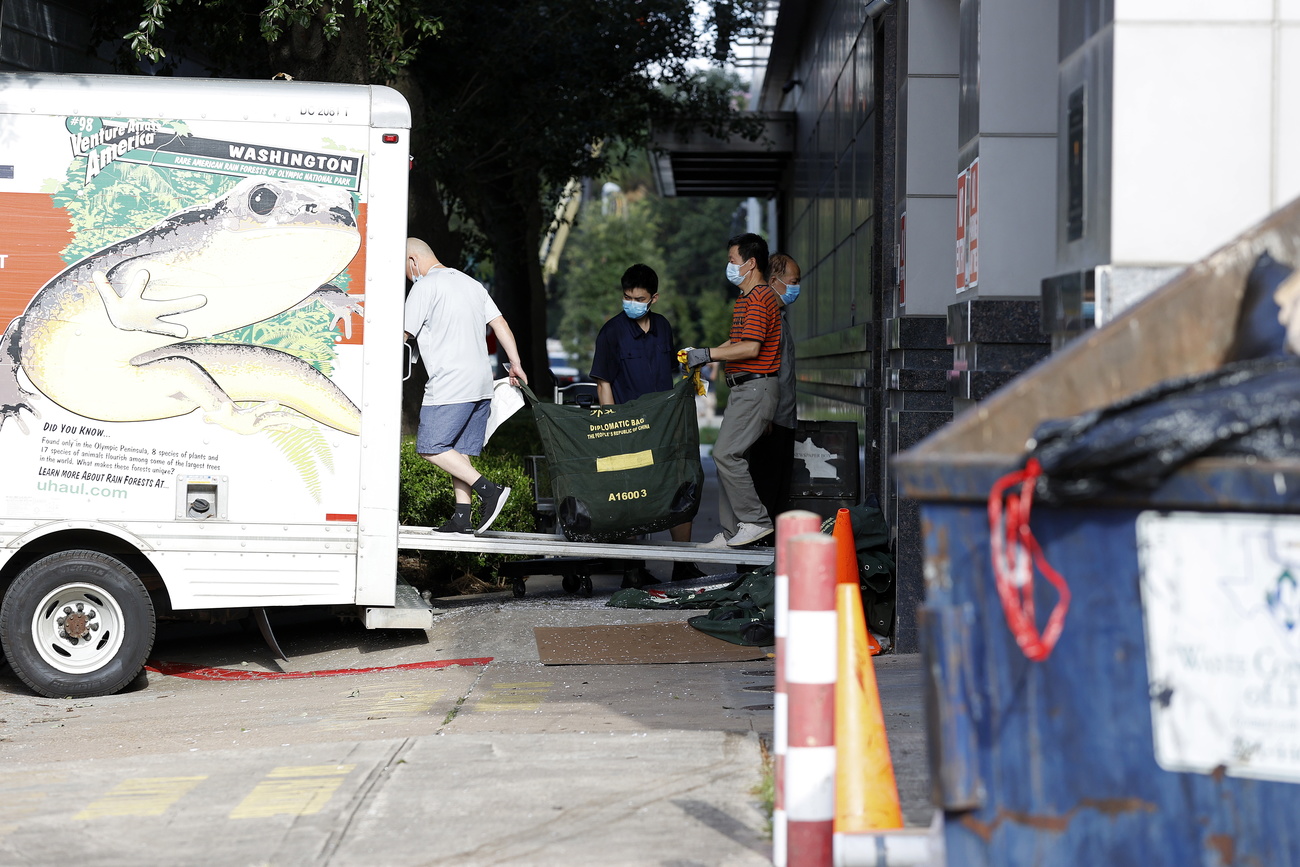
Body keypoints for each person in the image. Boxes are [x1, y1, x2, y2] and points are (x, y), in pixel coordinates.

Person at [403, 237, 527, 535]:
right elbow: (501, 325)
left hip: (450, 383)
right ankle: (462, 516)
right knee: (458, 452)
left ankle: (490, 490)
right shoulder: (472, 284)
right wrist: (516, 364)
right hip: (482, 383)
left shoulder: (424, 286)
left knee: (430, 448)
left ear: (413, 261)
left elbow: (403, 334)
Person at [590, 264, 702, 582]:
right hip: (629, 429)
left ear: (653, 298)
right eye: (627, 297)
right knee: (633, 497)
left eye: (639, 298)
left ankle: (683, 564)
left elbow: (672, 370)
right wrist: (611, 429)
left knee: (678, 487)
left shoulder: (663, 327)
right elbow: (603, 383)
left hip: (664, 425)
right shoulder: (611, 332)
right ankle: (633, 569)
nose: (631, 303)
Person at [683, 233, 782, 548]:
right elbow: (735, 344)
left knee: (725, 453)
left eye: (732, 260)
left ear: (750, 263)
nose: (729, 266)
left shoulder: (760, 298)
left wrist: (709, 355)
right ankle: (730, 533)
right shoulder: (746, 300)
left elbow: (751, 348)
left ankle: (755, 521)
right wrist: (702, 354)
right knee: (727, 456)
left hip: (756, 387)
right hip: (745, 389)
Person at [749, 252, 802, 518]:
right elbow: (760, 367)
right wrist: (765, 415)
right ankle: (757, 557)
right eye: (793, 281)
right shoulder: (766, 318)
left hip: (783, 418)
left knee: (778, 496)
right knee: (767, 494)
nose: (797, 287)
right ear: (773, 281)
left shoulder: (779, 317)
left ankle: (770, 555)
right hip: (771, 421)